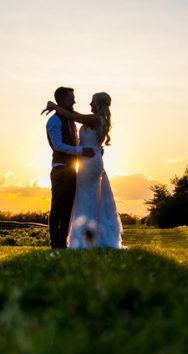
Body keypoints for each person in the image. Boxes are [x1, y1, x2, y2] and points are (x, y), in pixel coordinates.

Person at [43, 92, 124, 249]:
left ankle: (88, 238)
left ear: (99, 104)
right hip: (86, 162)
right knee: (84, 196)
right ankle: (85, 236)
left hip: (90, 162)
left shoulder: (95, 119)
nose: (90, 104)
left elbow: (73, 116)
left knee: (88, 197)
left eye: (92, 102)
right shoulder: (95, 120)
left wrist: (54, 106)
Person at [44, 87, 96, 249]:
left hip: (72, 169)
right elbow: (58, 146)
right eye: (70, 98)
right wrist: (82, 151)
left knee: (68, 209)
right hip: (60, 169)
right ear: (61, 100)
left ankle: (63, 243)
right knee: (58, 207)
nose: (74, 101)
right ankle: (55, 244)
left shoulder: (70, 120)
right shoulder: (54, 121)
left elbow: (75, 142)